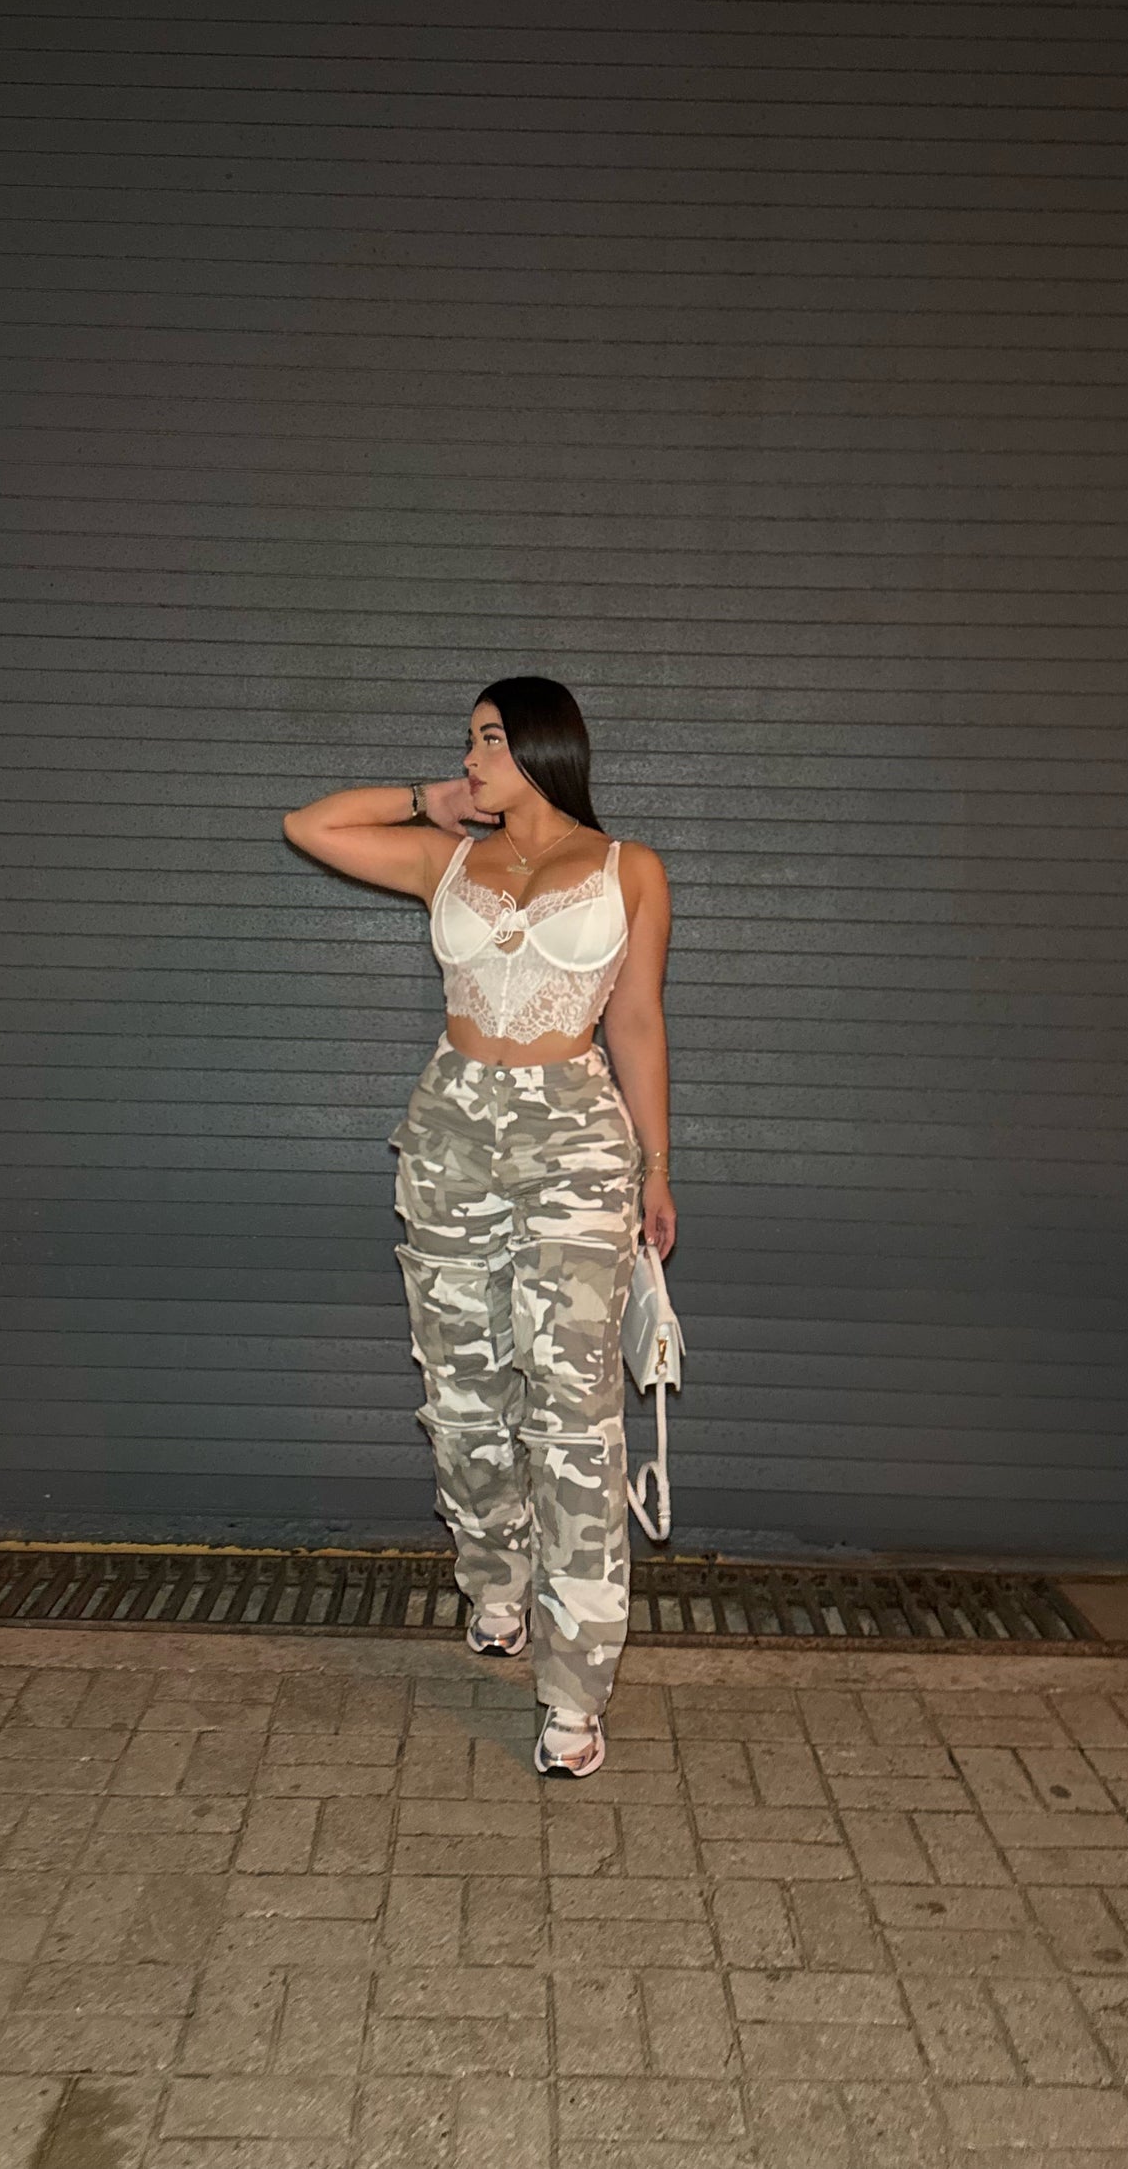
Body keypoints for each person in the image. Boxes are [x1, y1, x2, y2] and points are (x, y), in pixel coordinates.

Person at [283, 676, 675, 1777]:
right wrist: (432, 798)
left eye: (489, 741)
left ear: (542, 746)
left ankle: (574, 1690)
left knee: (574, 1413)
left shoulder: (628, 869)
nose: (471, 758)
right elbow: (308, 825)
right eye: (467, 742)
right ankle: (496, 1582)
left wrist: (656, 1167)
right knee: (462, 1396)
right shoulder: (446, 859)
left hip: (575, 1143)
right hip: (452, 1133)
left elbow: (638, 1022)